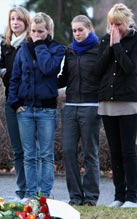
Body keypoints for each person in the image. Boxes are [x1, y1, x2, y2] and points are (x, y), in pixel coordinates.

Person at [8, 12, 65, 201]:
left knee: (46, 155)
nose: (36, 35)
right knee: (29, 155)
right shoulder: (23, 49)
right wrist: (14, 102)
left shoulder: (57, 49)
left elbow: (49, 67)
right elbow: (15, 77)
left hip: (46, 110)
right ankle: (30, 195)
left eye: (40, 31)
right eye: (33, 31)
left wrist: (40, 45)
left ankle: (44, 196)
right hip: (25, 110)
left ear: (48, 31)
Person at [96, 3, 137, 208]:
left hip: (128, 102)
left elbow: (130, 69)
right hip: (107, 102)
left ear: (128, 22)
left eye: (119, 24)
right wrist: (110, 46)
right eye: (111, 24)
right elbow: (98, 70)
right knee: (114, 151)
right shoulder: (105, 40)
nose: (115, 28)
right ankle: (119, 196)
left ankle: (131, 198)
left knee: (128, 151)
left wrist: (117, 46)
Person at [58, 15, 101, 206]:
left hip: (91, 107)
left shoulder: (100, 49)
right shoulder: (69, 51)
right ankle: (75, 196)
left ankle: (90, 197)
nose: (76, 34)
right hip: (70, 107)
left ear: (89, 28)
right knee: (68, 152)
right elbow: (64, 78)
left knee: (90, 153)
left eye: (80, 30)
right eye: (74, 30)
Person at [0, 6, 31, 200]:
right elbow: (4, 70)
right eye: (12, 19)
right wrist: (0, 70)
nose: (15, 22)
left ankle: (33, 190)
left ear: (26, 21)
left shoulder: (31, 43)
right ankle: (21, 191)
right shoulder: (6, 45)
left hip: (28, 103)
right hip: (11, 102)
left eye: (19, 19)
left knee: (30, 150)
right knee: (17, 150)